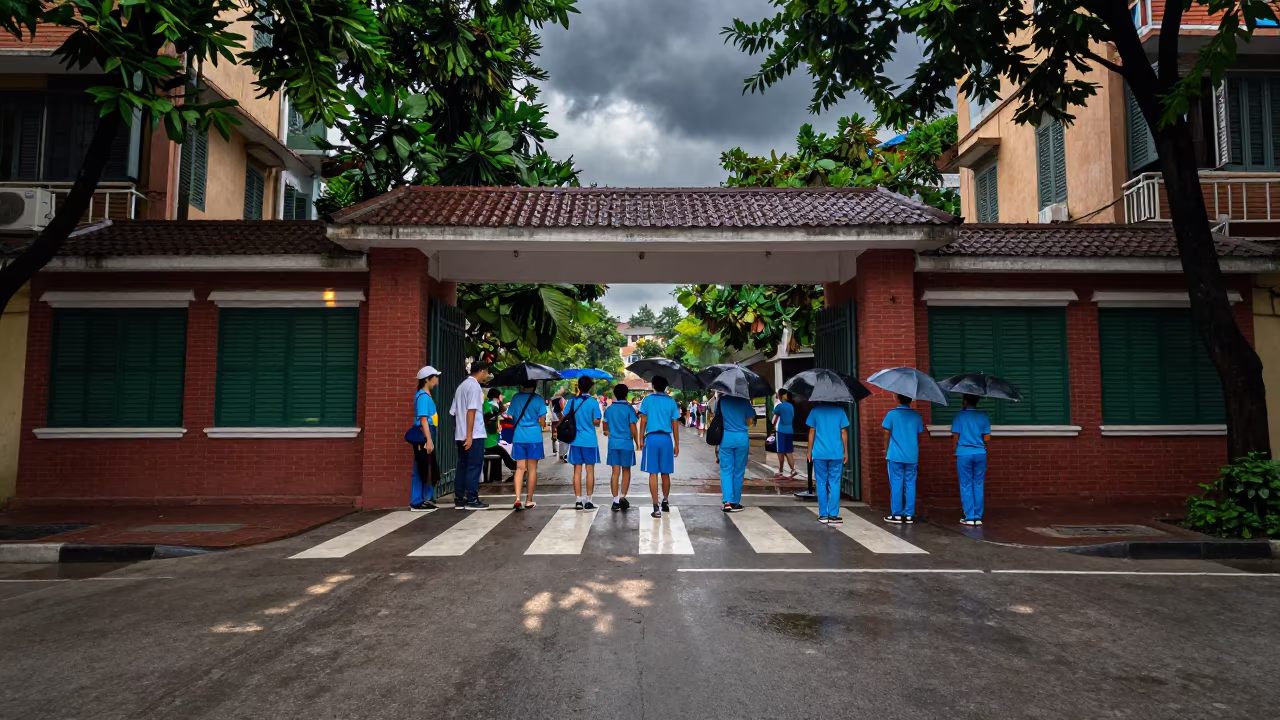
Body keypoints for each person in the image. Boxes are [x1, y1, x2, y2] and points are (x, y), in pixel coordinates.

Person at [449, 361, 491, 510]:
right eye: (486, 372)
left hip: (460, 434)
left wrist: (460, 430)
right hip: (474, 434)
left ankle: (460, 498)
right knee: (474, 466)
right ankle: (472, 499)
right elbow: (471, 411)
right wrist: (469, 435)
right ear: (480, 371)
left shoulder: (461, 387)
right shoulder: (474, 386)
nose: (486, 375)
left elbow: (453, 412)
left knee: (462, 465)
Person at [638, 376, 680, 518]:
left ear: (653, 385)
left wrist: (640, 438)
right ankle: (665, 501)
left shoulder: (647, 400)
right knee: (666, 473)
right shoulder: (671, 401)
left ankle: (655, 507)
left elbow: (643, 420)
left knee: (653, 473)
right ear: (666, 387)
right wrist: (677, 444)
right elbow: (675, 425)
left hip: (652, 438)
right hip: (666, 440)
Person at [882, 393, 925, 524]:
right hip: (912, 456)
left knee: (896, 484)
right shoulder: (916, 416)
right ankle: (909, 514)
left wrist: (885, 449)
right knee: (910, 484)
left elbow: (886, 433)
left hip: (895, 455)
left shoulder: (891, 414)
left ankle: (897, 514)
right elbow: (920, 434)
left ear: (897, 399)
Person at [506, 380, 548, 510]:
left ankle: (517, 498)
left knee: (519, 468)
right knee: (532, 469)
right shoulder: (538, 399)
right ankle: (529, 500)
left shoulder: (516, 398)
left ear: (522, 384)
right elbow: (543, 422)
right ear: (535, 386)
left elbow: (511, 416)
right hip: (534, 437)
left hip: (519, 436)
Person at [951, 394, 992, 526]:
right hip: (980, 452)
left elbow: (955, 436)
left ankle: (969, 516)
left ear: (966, 401)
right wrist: (981, 445)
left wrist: (955, 450)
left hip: (964, 453)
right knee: (978, 484)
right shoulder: (983, 416)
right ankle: (978, 516)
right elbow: (987, 437)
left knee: (965, 484)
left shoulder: (959, 416)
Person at [806, 402, 851, 524]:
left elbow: (811, 431)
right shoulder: (840, 411)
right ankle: (833, 514)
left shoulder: (815, 411)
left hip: (819, 452)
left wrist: (809, 451)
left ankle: (823, 515)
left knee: (821, 482)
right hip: (836, 452)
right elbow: (843, 432)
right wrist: (845, 451)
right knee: (835, 482)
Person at [565, 376, 603, 510]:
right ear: (590, 387)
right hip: (590, 441)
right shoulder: (593, 402)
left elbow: (565, 417)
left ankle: (578, 500)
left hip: (575, 440)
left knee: (577, 471)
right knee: (590, 471)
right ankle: (589, 500)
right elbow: (597, 421)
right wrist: (589, 421)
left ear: (578, 387)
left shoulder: (571, 402)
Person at [716, 392, 756, 513]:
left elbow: (717, 418)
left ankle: (727, 502)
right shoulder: (744, 401)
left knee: (726, 470)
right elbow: (750, 419)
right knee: (738, 471)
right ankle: (735, 502)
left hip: (726, 439)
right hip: (741, 439)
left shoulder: (721, 401)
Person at [602, 383, 639, 512]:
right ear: (626, 394)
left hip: (613, 444)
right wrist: (638, 441)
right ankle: (623, 496)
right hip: (627, 443)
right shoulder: (629, 409)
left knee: (615, 472)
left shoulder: (609, 409)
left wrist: (610, 433)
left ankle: (615, 500)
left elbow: (605, 429)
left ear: (615, 395)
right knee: (626, 471)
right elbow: (633, 427)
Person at [410, 366, 441, 512]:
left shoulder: (426, 395)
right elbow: (423, 420)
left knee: (428, 466)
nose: (437, 379)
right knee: (421, 467)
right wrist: (428, 440)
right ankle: (417, 501)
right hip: (423, 434)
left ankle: (426, 498)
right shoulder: (422, 396)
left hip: (428, 432)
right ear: (427, 379)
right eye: (435, 376)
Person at [773, 389, 797, 479]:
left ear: (780, 395)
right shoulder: (791, 406)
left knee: (780, 451)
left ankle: (780, 471)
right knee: (789, 451)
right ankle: (793, 469)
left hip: (781, 430)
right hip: (790, 430)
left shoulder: (779, 406)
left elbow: (774, 419)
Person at [550, 389, 568, 462]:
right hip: (559, 417)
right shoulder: (561, 399)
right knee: (561, 437)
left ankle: (555, 450)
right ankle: (562, 453)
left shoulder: (552, 399)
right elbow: (563, 408)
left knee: (554, 435)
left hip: (553, 417)